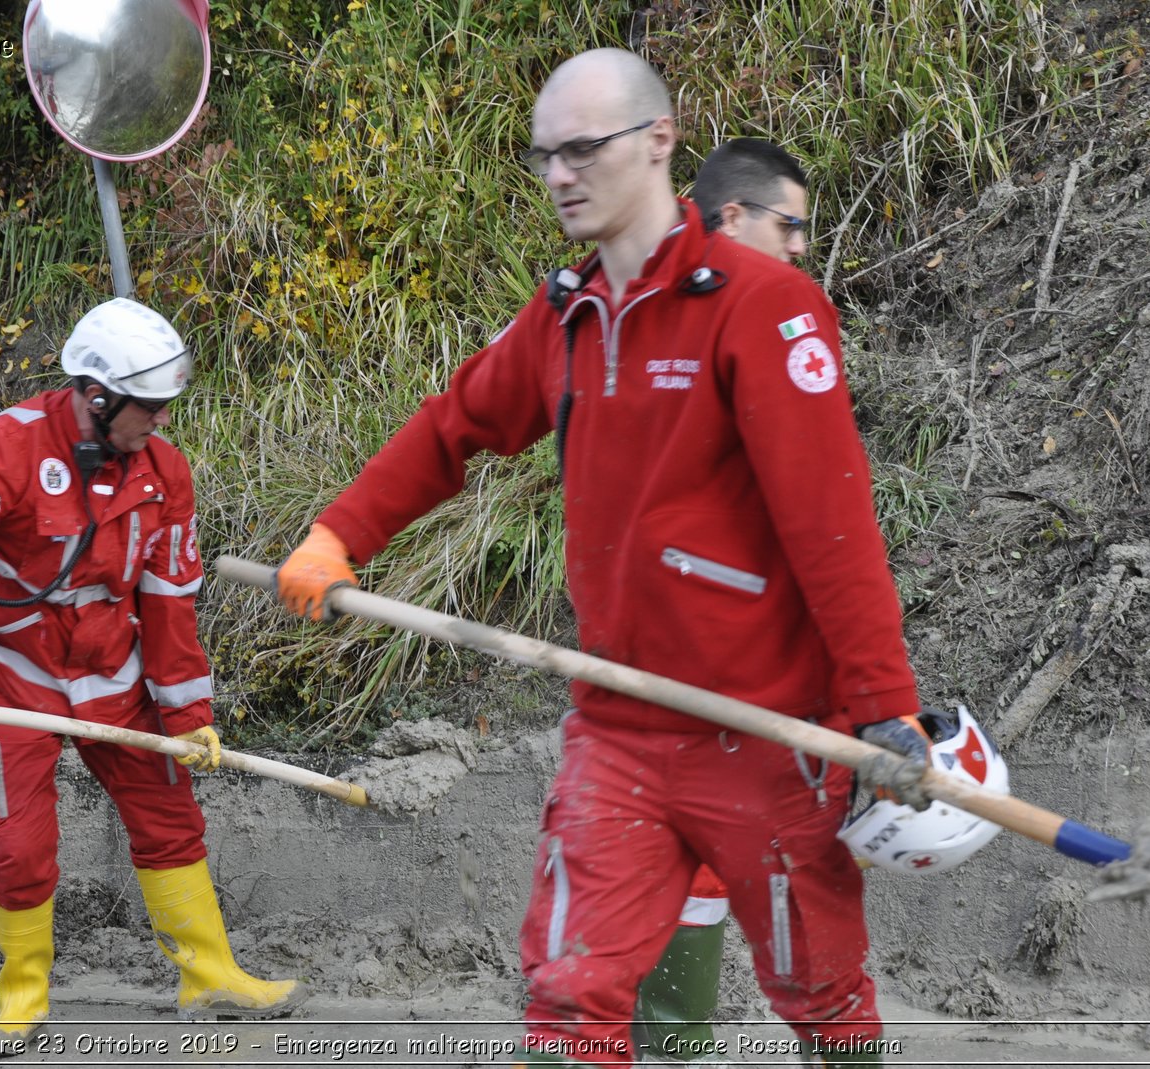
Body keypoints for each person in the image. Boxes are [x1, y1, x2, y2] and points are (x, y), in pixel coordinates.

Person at [275, 49, 934, 1067]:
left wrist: (881, 701)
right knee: (569, 996)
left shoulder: (759, 305)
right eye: (545, 156)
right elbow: (453, 424)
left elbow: (828, 520)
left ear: (658, 142)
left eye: (582, 149)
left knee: (823, 993)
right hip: (617, 731)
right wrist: (339, 534)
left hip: (761, 729)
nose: (558, 175)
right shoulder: (564, 312)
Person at [0, 297, 306, 1057]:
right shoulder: (5, 447)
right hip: (14, 675)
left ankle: (209, 977)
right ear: (97, 396)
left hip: (116, 670)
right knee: (17, 842)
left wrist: (188, 714)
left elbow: (171, 600)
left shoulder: (164, 470)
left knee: (170, 817)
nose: (159, 425)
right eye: (149, 409)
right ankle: (23, 998)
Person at [634, 136, 815, 1065]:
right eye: (790, 227)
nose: (799, 249)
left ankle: (670, 1040)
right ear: (733, 219)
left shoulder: (768, 327)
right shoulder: (657, 317)